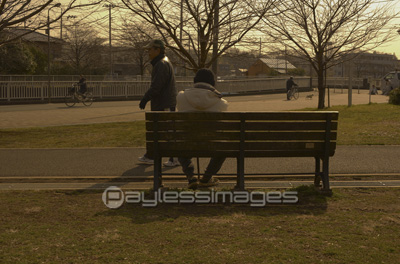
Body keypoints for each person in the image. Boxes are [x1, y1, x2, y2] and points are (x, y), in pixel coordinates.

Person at [176, 68, 228, 189]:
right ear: (213, 83)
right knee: (224, 148)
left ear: (195, 81)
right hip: (211, 144)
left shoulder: (180, 97)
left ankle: (190, 176)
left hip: (186, 142)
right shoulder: (222, 102)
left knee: (178, 144)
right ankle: (207, 177)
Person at [138, 39, 178, 166]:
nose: (148, 52)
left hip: (163, 103)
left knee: (162, 131)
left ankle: (154, 156)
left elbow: (156, 86)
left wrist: (145, 98)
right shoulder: (163, 63)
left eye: (150, 49)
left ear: (158, 50)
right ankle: (162, 156)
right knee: (164, 131)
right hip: (167, 102)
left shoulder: (161, 64)